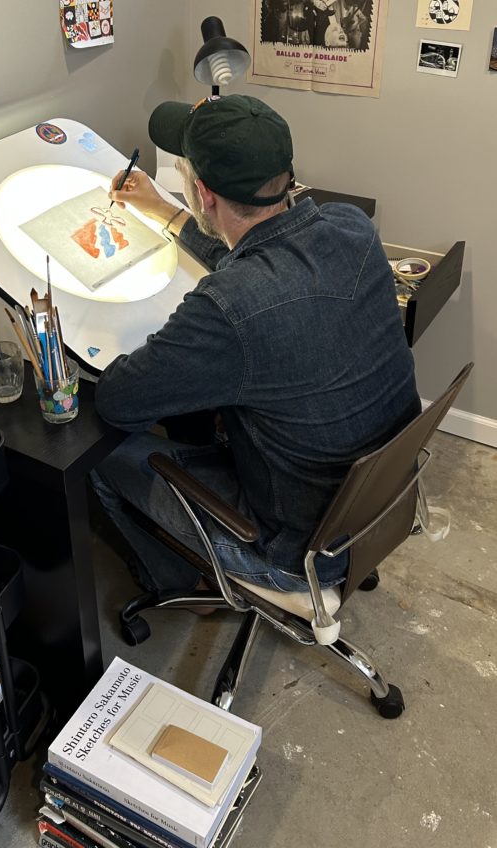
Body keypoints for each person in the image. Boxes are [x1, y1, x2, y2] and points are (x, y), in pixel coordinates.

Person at [90, 94, 420, 599]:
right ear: (285, 174)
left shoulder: (228, 307)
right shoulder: (351, 228)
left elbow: (118, 401)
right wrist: (162, 211)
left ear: (203, 193)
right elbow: (262, 259)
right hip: (380, 506)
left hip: (296, 552)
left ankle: (180, 581)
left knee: (104, 456)